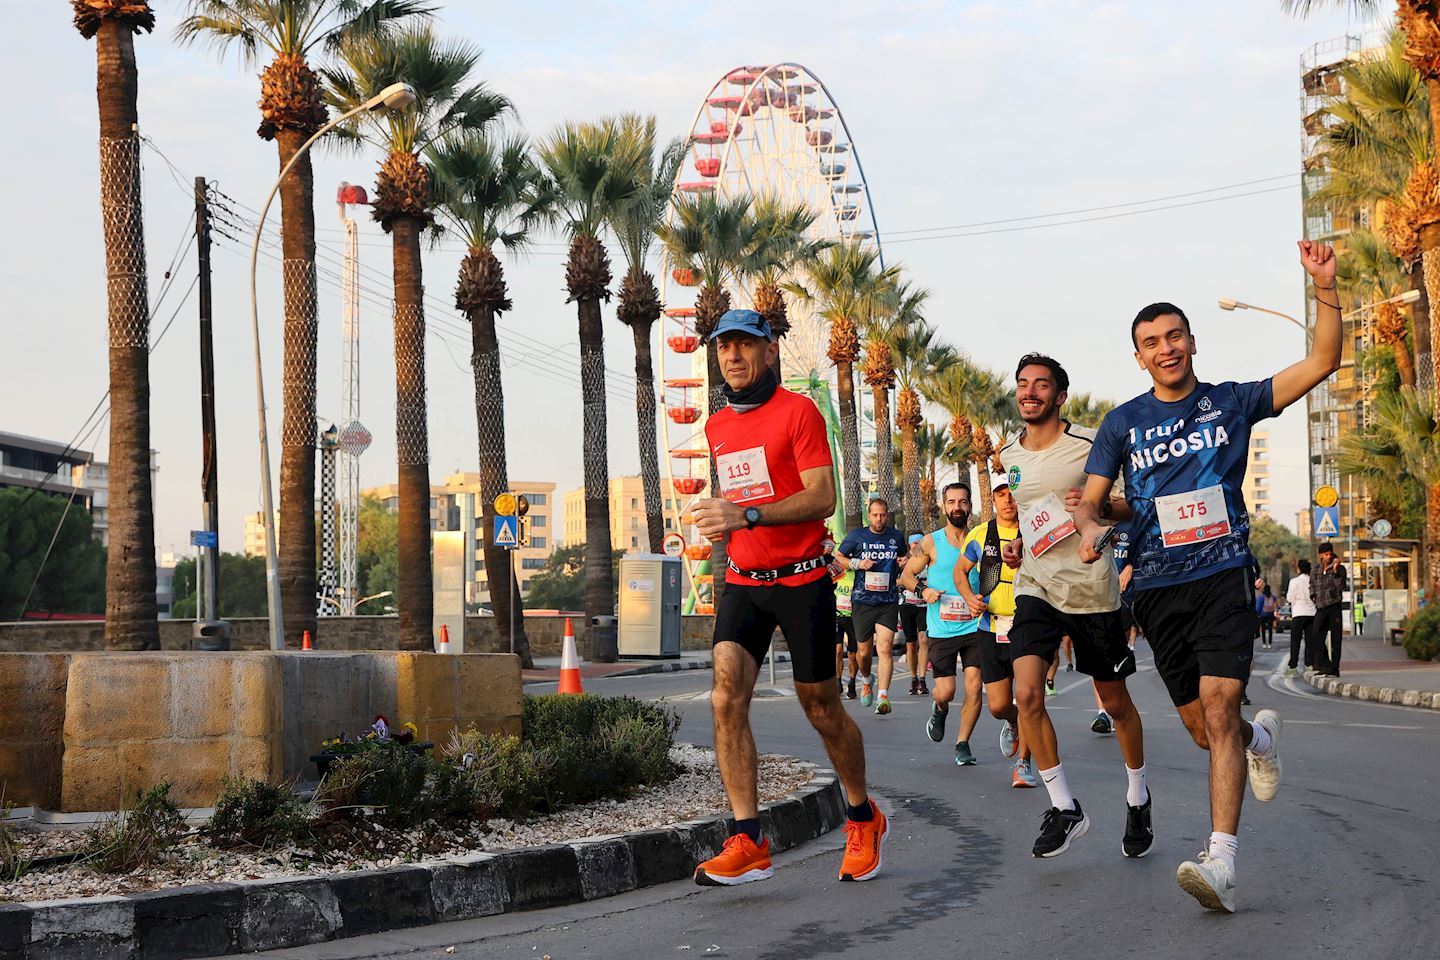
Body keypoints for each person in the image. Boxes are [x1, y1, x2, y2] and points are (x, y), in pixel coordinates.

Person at [1076, 238, 1340, 913]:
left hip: (1223, 574)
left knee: (1221, 710)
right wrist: (1097, 526)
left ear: (1191, 342)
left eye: (1173, 336)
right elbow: (1092, 498)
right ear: (1138, 356)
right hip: (1158, 590)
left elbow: (1321, 360)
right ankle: (1262, 740)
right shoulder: (1122, 423)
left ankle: (1219, 862)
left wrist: (1325, 288)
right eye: (1150, 342)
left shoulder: (1231, 403)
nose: (1164, 348)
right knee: (1205, 730)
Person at [691, 309, 887, 886]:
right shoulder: (717, 426)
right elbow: (737, 498)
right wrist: (716, 519)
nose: (732, 356)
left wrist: (745, 512)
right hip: (745, 581)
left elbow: (822, 496)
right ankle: (748, 839)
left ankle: (861, 816)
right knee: (725, 698)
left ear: (769, 351)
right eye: (724, 347)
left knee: (821, 707)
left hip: (803, 580)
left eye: (744, 346)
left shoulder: (800, 413)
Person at [998, 354, 1151, 861]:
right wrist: (1015, 545)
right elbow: (1022, 516)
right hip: (1035, 586)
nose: (1030, 392)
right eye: (1023, 384)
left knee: (1114, 703)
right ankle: (1065, 808)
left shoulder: (1090, 443)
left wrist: (1094, 507)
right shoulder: (1007, 453)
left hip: (1091, 591)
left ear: (1060, 396)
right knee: (1026, 695)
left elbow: (1131, 505)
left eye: (1042, 385)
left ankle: (1137, 793)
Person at [951, 472, 1038, 787]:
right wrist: (969, 597)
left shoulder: (1033, 530)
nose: (1008, 500)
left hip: (1027, 625)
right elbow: (960, 572)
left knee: (1028, 698)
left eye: (1012, 494)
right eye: (1002, 494)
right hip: (990, 627)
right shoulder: (980, 535)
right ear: (994, 499)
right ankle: (1013, 722)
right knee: (1000, 705)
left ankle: (1023, 764)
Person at [899, 481, 985, 766]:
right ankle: (939, 707)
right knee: (946, 691)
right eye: (951, 502)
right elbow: (906, 576)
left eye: (962, 502)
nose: (957, 507)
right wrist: (923, 590)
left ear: (970, 505)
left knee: (974, 687)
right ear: (943, 506)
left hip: (975, 626)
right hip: (942, 629)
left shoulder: (980, 539)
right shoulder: (930, 542)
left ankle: (963, 743)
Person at [836, 498, 905, 715]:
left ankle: (883, 696)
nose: (879, 519)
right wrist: (857, 563)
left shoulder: (896, 536)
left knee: (884, 648)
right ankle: (867, 680)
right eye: (875, 515)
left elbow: (904, 557)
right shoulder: (857, 536)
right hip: (863, 600)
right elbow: (839, 558)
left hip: (888, 601)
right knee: (863, 652)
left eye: (883, 515)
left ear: (887, 515)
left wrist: (903, 562)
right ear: (869, 515)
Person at [899, 532, 930, 696]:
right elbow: (894, 581)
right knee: (911, 645)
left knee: (924, 639)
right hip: (907, 605)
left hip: (924, 605)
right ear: (909, 546)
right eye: (913, 543)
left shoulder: (929, 559)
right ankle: (913, 678)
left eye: (919, 542)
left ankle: (923, 679)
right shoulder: (903, 561)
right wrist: (907, 580)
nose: (916, 545)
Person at [1310, 542, 1348, 677]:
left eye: (1330, 554)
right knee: (1316, 635)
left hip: (1334, 606)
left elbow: (1341, 586)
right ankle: (1324, 665)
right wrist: (1314, 597)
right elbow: (1312, 585)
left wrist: (1336, 571)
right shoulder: (1315, 569)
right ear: (1320, 555)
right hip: (1321, 607)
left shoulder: (1340, 569)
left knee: (1336, 639)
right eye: (1326, 554)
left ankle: (1334, 668)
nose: (1329, 557)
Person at [1286, 558, 1316, 677]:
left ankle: (1293, 667)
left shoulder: (1294, 581)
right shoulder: (1312, 580)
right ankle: (1309, 665)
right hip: (1311, 613)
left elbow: (1289, 598)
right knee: (1310, 641)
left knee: (1295, 641)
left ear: (1298, 569)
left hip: (1298, 613)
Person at [834, 564, 859, 699]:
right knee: (837, 651)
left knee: (852, 655)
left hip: (853, 618)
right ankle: (837, 682)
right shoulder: (837, 574)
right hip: (838, 617)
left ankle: (852, 681)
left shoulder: (857, 575)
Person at [1256, 584, 1277, 650]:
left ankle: (1264, 643)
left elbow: (1258, 607)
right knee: (1270, 630)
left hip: (1263, 615)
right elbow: (1276, 606)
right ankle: (1270, 643)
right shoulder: (1273, 597)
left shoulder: (1261, 597)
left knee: (1263, 630)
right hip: (1270, 615)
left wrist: (1257, 614)